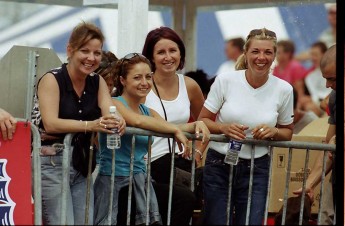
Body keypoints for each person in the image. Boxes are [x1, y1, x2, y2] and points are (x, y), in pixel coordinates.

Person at [94, 53, 210, 225]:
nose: (144, 82)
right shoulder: (114, 103)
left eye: (148, 77)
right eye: (137, 77)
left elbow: (168, 126)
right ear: (123, 81)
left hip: (140, 181)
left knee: (184, 198)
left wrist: (197, 124)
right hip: (114, 181)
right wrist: (175, 130)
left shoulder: (148, 111)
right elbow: (137, 121)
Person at [30, 21, 126, 225]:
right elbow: (51, 124)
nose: (91, 58)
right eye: (85, 51)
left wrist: (118, 119)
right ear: (70, 50)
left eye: (97, 53)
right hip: (51, 162)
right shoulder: (52, 79)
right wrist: (90, 125)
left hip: (83, 163)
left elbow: (110, 111)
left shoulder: (97, 81)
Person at [198, 28, 294, 225]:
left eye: (268, 52)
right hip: (219, 163)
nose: (261, 57)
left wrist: (273, 131)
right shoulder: (225, 80)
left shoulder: (284, 89)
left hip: (257, 166)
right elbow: (203, 120)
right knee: (216, 220)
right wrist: (223, 128)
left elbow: (288, 131)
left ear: (275, 55)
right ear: (246, 53)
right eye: (256, 51)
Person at [142, 26, 207, 225]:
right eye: (161, 52)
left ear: (181, 53)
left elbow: (206, 123)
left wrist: (197, 154)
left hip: (180, 166)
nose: (168, 57)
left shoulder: (189, 85)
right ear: (151, 57)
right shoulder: (141, 84)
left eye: (173, 50)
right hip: (147, 165)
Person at [293, 44, 336, 224]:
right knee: (325, 219)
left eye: (332, 78)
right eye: (325, 79)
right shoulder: (335, 97)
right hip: (337, 181)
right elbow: (328, 147)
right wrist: (308, 185)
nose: (327, 85)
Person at [92, 50, 119, 183]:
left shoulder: (114, 102)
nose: (108, 88)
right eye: (104, 83)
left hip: (106, 168)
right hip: (90, 166)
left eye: (111, 84)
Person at [273, 40, 308, 110]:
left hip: (297, 100)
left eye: (278, 52)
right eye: (276, 53)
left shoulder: (295, 67)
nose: (276, 55)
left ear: (288, 54)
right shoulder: (276, 69)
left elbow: (300, 93)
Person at [302, 41, 331, 116]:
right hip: (320, 104)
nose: (313, 58)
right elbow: (314, 96)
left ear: (325, 54)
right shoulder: (309, 77)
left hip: (333, 99)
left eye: (315, 55)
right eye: (311, 55)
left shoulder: (333, 70)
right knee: (309, 107)